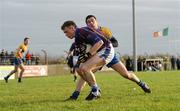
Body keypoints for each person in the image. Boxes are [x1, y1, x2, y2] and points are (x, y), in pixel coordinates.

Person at [68, 15, 151, 100]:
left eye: (92, 20)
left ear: (97, 21)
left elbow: (115, 42)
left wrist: (107, 44)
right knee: (85, 72)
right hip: (96, 56)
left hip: (108, 54)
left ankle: (141, 84)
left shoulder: (104, 30)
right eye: (88, 22)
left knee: (126, 75)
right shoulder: (86, 32)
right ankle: (77, 94)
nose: (91, 23)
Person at [61, 20, 115, 100]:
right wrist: (75, 66)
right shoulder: (77, 38)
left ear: (72, 28)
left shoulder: (81, 31)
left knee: (85, 68)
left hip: (106, 49)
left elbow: (99, 42)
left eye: (66, 32)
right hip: (98, 51)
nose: (66, 35)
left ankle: (95, 91)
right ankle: (95, 89)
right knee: (79, 69)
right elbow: (78, 54)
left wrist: (88, 55)